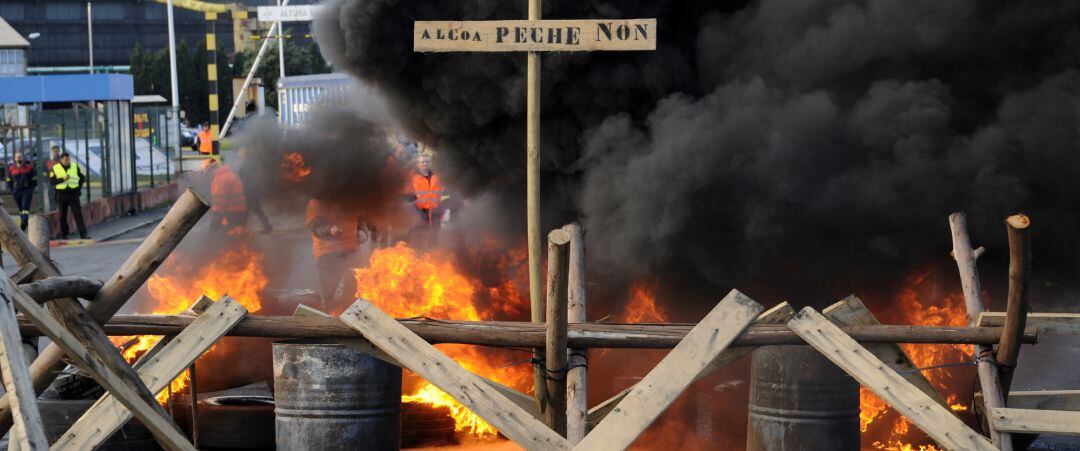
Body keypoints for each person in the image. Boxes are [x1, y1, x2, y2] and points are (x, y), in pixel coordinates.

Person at [307, 198, 364, 309]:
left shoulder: (352, 197)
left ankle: (351, 323)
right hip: (328, 255)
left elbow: (361, 219)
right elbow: (315, 225)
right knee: (330, 298)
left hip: (352, 252)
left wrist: (362, 231)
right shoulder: (317, 201)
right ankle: (330, 323)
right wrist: (329, 229)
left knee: (353, 296)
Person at [50, 152, 88, 239]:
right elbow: (52, 181)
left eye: (69, 159)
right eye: (66, 160)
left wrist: (78, 189)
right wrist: (62, 179)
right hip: (61, 194)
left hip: (73, 194)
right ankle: (65, 234)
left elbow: (82, 178)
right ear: (61, 159)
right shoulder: (55, 168)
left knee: (78, 214)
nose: (68, 161)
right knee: (62, 215)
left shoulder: (74, 166)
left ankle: (83, 234)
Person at [202, 158, 247, 231]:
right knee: (236, 236)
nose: (209, 177)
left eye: (207, 174)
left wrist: (216, 214)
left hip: (231, 213)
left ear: (211, 170)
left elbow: (220, 202)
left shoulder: (220, 180)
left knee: (214, 233)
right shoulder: (230, 175)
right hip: (239, 211)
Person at [236, 148, 272, 233]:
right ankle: (244, 227)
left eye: (240, 152)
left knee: (255, 209)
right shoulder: (248, 162)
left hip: (250, 190)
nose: (238, 154)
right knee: (248, 210)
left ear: (244, 153)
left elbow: (248, 176)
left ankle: (267, 226)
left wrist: (247, 186)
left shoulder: (249, 163)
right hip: (250, 189)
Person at [6, 152, 36, 231]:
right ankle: (23, 221)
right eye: (17, 157)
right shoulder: (11, 168)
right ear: (15, 159)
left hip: (27, 191)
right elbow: (9, 181)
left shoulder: (29, 168)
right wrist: (13, 190)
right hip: (16, 191)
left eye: (20, 157)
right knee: (21, 208)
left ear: (23, 158)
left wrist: (30, 189)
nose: (18, 158)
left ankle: (24, 221)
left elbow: (34, 180)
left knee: (25, 206)